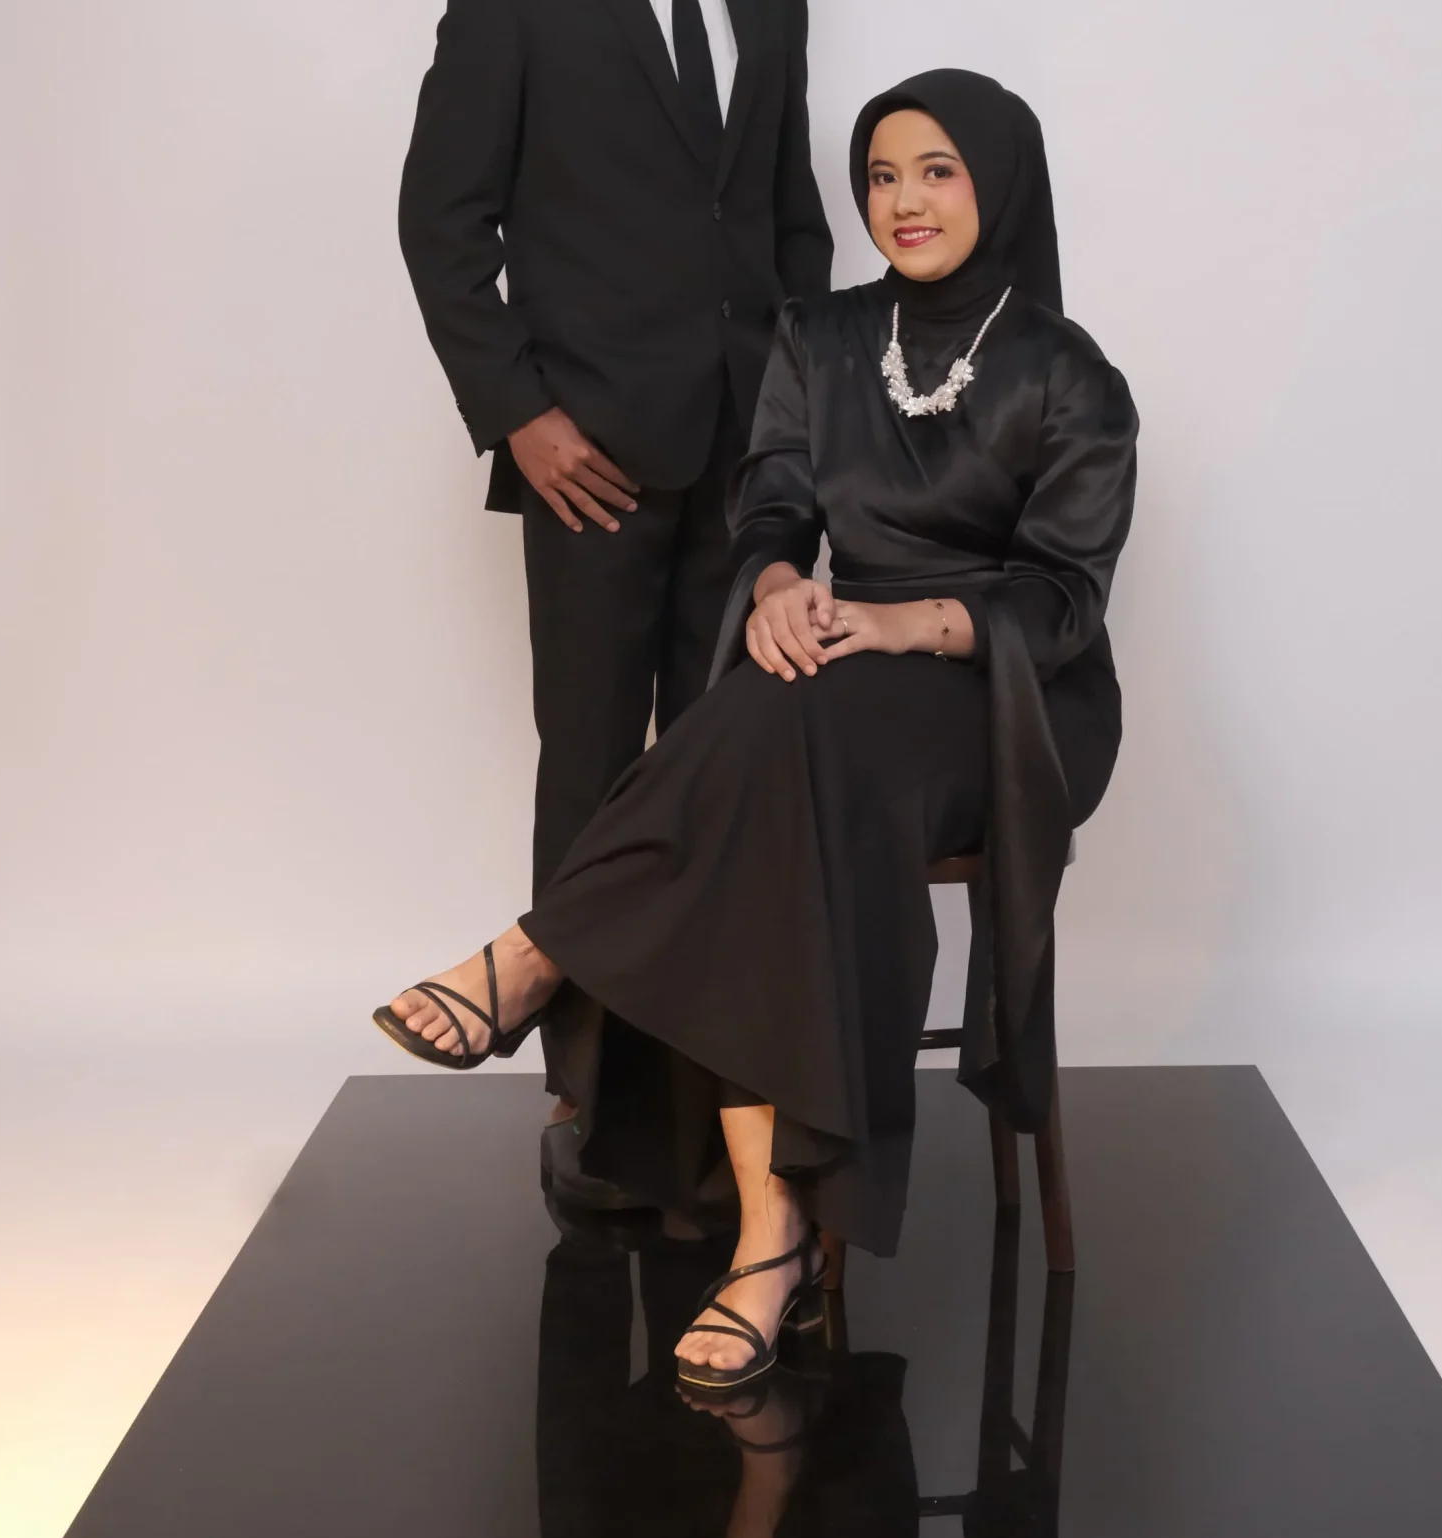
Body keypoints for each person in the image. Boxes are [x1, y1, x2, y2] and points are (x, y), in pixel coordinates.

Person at [378, 71, 1137, 1392]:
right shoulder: (821, 336)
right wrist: (782, 584)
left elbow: (1063, 598)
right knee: (779, 742)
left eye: (938, 172)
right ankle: (770, 1239)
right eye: (882, 175)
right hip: (836, 677)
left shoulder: (1069, 373)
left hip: (1007, 699)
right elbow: (772, 505)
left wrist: (896, 623)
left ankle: (542, 952)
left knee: (774, 728)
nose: (903, 202)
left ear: (1000, 184)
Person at [397, 0, 832, 1195]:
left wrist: (800, 436)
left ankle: (714, 1093)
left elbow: (786, 223)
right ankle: (589, 1101)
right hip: (584, 462)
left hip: (744, 461)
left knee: (726, 775)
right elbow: (442, 222)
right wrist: (519, 417)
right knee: (588, 768)